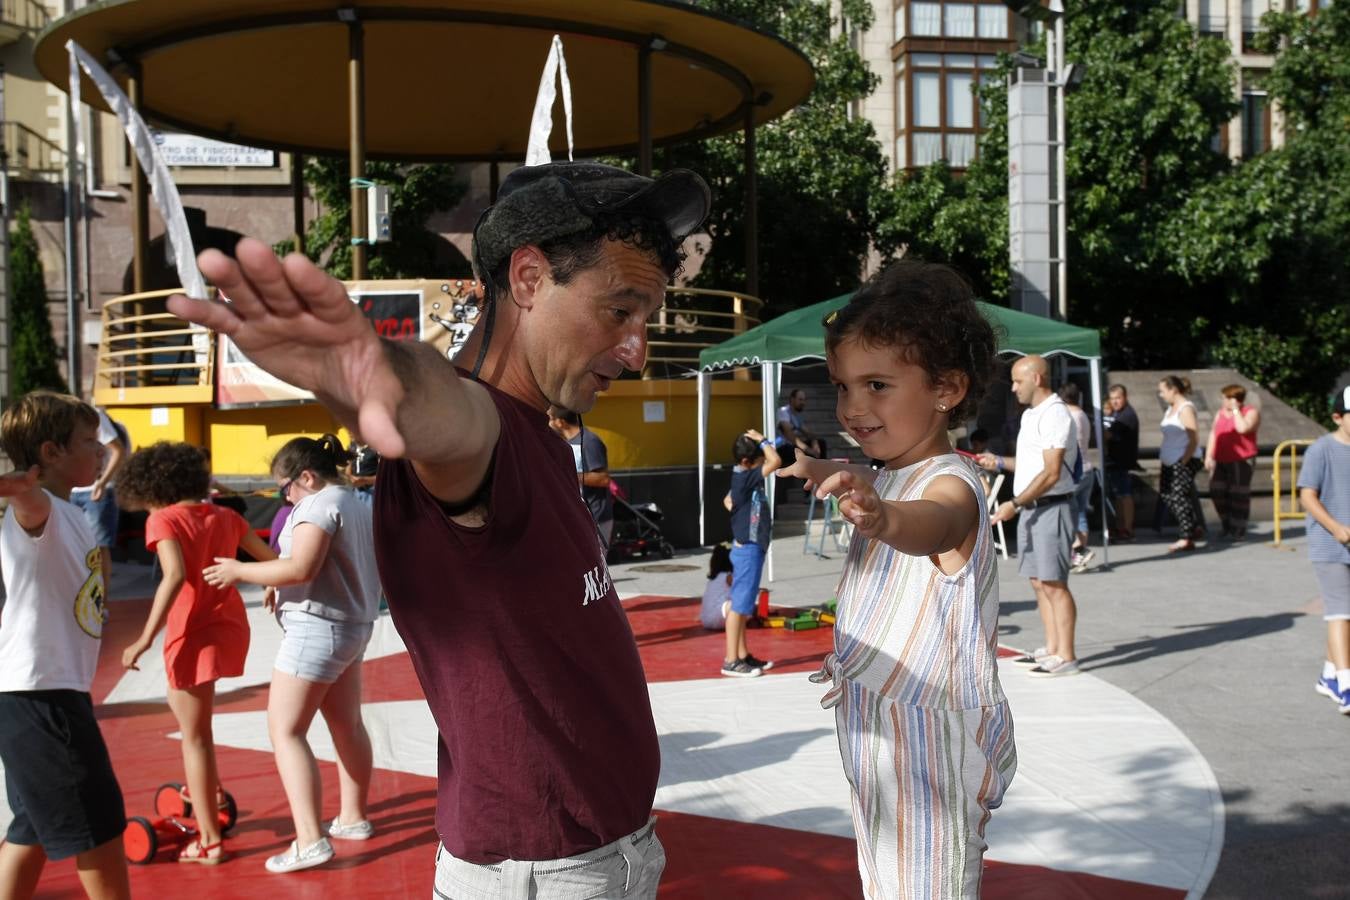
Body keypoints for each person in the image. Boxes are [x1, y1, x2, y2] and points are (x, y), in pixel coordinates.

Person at [167, 160, 710, 896]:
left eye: (647, 320)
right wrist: (380, 374)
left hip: (585, 856)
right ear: (526, 279)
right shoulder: (486, 430)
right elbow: (444, 414)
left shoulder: (539, 434)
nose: (636, 351)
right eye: (619, 311)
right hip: (545, 874)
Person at [780, 261, 1014, 899]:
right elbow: (865, 476)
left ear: (947, 388)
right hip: (884, 736)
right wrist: (806, 464)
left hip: (928, 749)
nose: (853, 408)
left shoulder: (951, 483)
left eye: (877, 385)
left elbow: (934, 523)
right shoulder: (891, 471)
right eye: (842, 387)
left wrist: (883, 518)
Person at [202, 435, 381, 873]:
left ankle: (309, 839)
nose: (284, 497)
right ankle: (353, 817)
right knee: (347, 724)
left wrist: (239, 569)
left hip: (316, 632)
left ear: (306, 476)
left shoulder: (318, 506)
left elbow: (301, 566)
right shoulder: (357, 502)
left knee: (285, 731)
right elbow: (316, 567)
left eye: (285, 488)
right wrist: (275, 580)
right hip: (352, 627)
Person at [117, 441, 277, 864]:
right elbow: (269, 560)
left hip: (188, 633)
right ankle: (207, 795)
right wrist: (271, 584)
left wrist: (144, 638)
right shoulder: (227, 515)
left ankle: (208, 839)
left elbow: (173, 577)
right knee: (199, 731)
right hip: (227, 627)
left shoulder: (163, 519)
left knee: (195, 738)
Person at [0, 391, 131, 899]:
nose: (102, 451)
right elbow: (26, 503)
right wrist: (15, 486)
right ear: (51, 452)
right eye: (88, 442)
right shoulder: (40, 509)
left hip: (45, 692)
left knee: (31, 828)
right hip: (41, 696)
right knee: (98, 828)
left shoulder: (73, 511)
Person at [978, 355, 1082, 678]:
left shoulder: (1056, 414)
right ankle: (1052, 648)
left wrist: (1015, 503)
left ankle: (1067, 655)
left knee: (1054, 583)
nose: (1013, 388)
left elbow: (1051, 473)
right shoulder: (1031, 416)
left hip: (1050, 506)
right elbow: (1029, 466)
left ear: (1037, 378)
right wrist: (997, 462)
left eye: (1017, 381)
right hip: (1033, 510)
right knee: (1039, 582)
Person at [1302, 385, 1350, 714]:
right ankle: (1347, 684)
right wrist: (1336, 528)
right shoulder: (1321, 450)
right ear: (1337, 417)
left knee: (1346, 613)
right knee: (1341, 612)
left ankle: (1329, 674)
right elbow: (1307, 495)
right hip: (1329, 544)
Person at [721, 429, 781, 676]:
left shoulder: (743, 477)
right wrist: (763, 440)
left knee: (744, 605)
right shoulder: (745, 477)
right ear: (747, 462)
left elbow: (728, 500)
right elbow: (775, 461)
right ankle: (731, 660)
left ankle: (742, 654)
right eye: (759, 460)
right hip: (748, 549)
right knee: (739, 606)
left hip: (748, 548)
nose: (763, 463)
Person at [68, 408, 129, 589]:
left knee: (98, 549)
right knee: (77, 548)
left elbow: (118, 450)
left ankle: (101, 606)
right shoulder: (64, 419)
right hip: (73, 490)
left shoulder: (93, 416)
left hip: (95, 491)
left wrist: (102, 483)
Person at [547, 408, 615, 547]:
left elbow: (603, 479)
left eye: (550, 419)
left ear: (560, 422)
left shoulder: (590, 441)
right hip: (578, 518)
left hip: (597, 517)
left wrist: (569, 475)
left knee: (598, 563)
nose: (548, 423)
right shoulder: (565, 442)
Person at [1205, 384, 1261, 540]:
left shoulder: (1250, 412)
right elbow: (1214, 434)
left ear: (1234, 399)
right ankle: (1226, 524)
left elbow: (1243, 429)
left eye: (1225, 398)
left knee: (1238, 494)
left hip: (1241, 459)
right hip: (1220, 458)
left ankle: (1238, 529)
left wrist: (1236, 411)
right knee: (1217, 490)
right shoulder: (1220, 413)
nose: (1222, 401)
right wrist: (1209, 455)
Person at [1158, 375, 1203, 552]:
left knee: (1178, 496)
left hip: (1182, 459)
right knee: (1167, 494)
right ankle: (1192, 527)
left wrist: (1183, 461)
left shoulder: (1185, 409)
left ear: (1173, 389)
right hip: (1170, 459)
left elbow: (1194, 437)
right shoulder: (1170, 409)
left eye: (1163, 391)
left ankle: (1186, 537)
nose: (1161, 395)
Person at [1058, 383, 1096, 571]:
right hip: (1088, 469)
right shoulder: (1083, 415)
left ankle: (1078, 550)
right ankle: (1080, 553)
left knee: (1070, 513)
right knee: (1080, 512)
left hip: (1075, 471)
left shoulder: (1068, 417)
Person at [1102, 384, 1140, 541]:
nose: (1115, 402)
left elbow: (1108, 435)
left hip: (1123, 461)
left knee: (1124, 495)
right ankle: (1120, 526)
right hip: (1115, 461)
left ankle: (1128, 528)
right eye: (1112, 399)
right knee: (1119, 495)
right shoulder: (1118, 413)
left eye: (1118, 398)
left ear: (1125, 397)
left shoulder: (1126, 416)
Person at [775, 388, 827, 467]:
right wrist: (808, 450)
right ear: (792, 399)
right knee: (806, 453)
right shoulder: (783, 412)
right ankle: (812, 477)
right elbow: (790, 436)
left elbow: (807, 432)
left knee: (821, 443)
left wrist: (814, 442)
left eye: (804, 400)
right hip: (780, 447)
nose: (803, 403)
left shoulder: (797, 415)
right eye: (800, 400)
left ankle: (822, 472)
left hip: (791, 446)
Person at [698, 542, 735, 631]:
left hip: (706, 620)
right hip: (718, 618)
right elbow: (742, 590)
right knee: (742, 605)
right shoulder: (728, 576)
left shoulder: (714, 578)